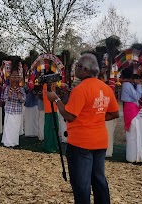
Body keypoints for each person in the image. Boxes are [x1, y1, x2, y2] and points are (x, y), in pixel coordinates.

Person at [47, 53, 119, 204]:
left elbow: (69, 115)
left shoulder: (81, 89)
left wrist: (56, 99)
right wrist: (95, 116)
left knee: (81, 184)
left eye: (78, 66)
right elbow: (114, 113)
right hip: (100, 141)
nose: (76, 69)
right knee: (99, 180)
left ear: (85, 70)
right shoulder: (106, 88)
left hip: (81, 143)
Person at [121, 70, 142, 163]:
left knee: (135, 132)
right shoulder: (127, 85)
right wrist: (138, 85)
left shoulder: (127, 85)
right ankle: (132, 156)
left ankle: (134, 155)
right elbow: (137, 97)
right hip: (131, 108)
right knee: (133, 132)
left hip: (132, 107)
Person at [1, 71, 26, 147]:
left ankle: (14, 143)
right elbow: (3, 98)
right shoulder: (8, 88)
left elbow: (24, 99)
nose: (14, 79)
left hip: (17, 111)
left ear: (19, 78)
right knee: (8, 128)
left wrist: (20, 96)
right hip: (9, 110)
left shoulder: (21, 89)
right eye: (13, 76)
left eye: (16, 77)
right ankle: (7, 143)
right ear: (10, 78)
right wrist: (9, 95)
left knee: (15, 128)